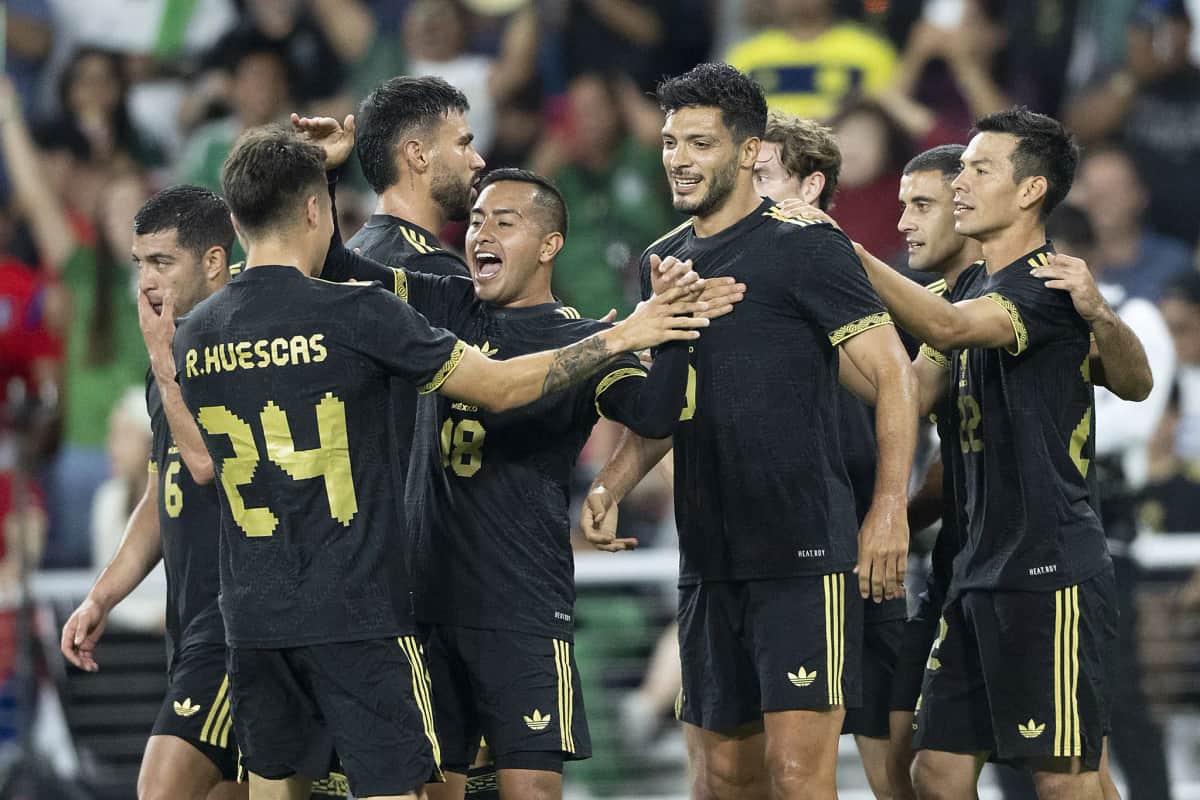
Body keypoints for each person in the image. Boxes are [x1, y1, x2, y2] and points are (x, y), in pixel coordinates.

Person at [172, 124, 712, 800]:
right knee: (434, 790)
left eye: (504, 221)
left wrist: (675, 337)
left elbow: (656, 416)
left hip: (518, 599)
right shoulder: (438, 299)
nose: (481, 232)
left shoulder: (577, 338)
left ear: (550, 245)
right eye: (477, 218)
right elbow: (340, 270)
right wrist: (624, 334)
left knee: (530, 790)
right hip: (420, 601)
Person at [580, 63, 920, 799]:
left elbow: (894, 374)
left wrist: (888, 506)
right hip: (707, 552)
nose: (677, 158)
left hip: (802, 551)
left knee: (797, 776)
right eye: (671, 142)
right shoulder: (662, 261)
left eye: (699, 142)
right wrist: (613, 482)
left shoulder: (805, 245)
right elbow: (671, 403)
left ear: (745, 151)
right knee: (722, 776)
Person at [829, 107, 1146, 800]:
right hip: (976, 567)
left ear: (1030, 191)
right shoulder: (970, 287)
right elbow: (905, 391)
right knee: (938, 774)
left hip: (1048, 564)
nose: (962, 182)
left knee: (1064, 779)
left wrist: (839, 248)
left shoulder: (1047, 284)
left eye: (979, 168)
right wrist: (819, 335)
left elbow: (1137, 382)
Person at [60, 185, 246, 800]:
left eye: (163, 262)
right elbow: (159, 492)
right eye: (140, 263)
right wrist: (101, 597)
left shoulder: (241, 350)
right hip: (191, 625)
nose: (146, 281)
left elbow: (204, 468)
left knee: (159, 789)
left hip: (236, 627)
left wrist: (165, 364)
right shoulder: (167, 358)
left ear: (214, 261)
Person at [751, 109, 909, 800]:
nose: (741, 188)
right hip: (773, 551)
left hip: (854, 544)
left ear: (808, 187)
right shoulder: (717, 269)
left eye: (759, 175)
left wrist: (889, 512)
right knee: (767, 766)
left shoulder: (840, 270)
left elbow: (901, 388)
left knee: (892, 768)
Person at [349, 75, 483, 279]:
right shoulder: (432, 269)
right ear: (418, 155)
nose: (478, 161)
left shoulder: (351, 252)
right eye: (463, 144)